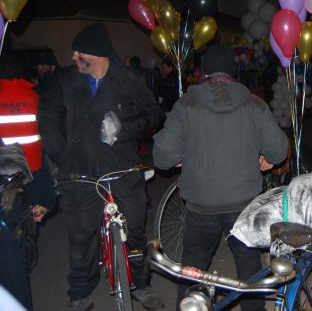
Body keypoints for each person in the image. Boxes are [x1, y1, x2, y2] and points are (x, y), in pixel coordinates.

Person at [37, 23, 164, 311]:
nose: (73, 57)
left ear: (96, 54)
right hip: (79, 169)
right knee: (81, 235)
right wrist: (62, 156)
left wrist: (124, 128)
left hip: (122, 165)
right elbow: (47, 117)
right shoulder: (65, 80)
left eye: (79, 52)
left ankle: (142, 285)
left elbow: (153, 113)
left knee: (134, 230)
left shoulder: (129, 79)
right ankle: (80, 292)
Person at [152, 44, 288, 311]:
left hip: (200, 205)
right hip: (243, 204)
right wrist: (268, 159)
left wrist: (182, 154)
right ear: (234, 74)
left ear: (204, 74)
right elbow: (278, 149)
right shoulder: (254, 104)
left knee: (193, 267)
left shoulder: (186, 104)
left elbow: (163, 157)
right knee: (248, 268)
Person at [0, 53, 57, 311]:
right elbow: (40, 153)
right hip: (19, 187)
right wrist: (46, 198)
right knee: (12, 264)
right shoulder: (35, 97)